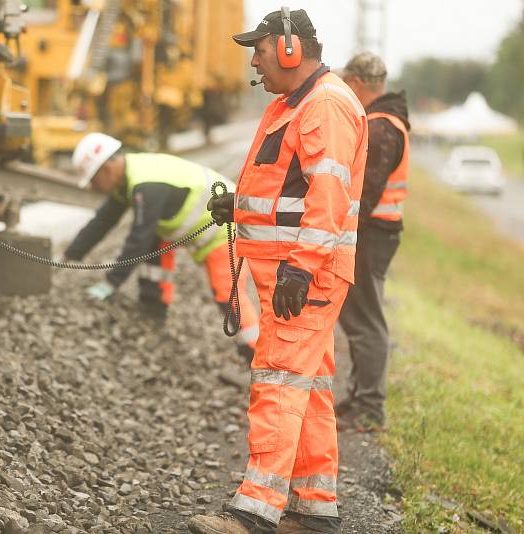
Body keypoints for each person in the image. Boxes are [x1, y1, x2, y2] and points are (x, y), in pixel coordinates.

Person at [190, 7, 368, 534]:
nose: (254, 62)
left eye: (261, 50)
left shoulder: (325, 106)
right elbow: (285, 186)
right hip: (289, 272)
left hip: (304, 275)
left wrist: (302, 268)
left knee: (278, 381)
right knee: (306, 387)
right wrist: (239, 207)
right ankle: (315, 510)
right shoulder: (294, 104)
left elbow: (328, 193)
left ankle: (254, 511)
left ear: (290, 49)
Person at [63, 132, 260, 363]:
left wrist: (111, 282)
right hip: (214, 229)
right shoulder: (131, 176)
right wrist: (72, 254)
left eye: (94, 181)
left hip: (228, 228)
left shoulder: (147, 184)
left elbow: (138, 238)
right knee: (155, 240)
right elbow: (103, 221)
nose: (96, 187)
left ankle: (256, 359)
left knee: (228, 295)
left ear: (106, 169)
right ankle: (153, 307)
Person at [336, 52, 409, 432]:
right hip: (377, 231)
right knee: (361, 315)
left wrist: (342, 233)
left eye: (346, 81)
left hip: (372, 233)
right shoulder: (385, 121)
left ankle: (369, 409)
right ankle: (359, 398)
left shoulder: (381, 128)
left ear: (358, 83)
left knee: (365, 319)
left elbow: (366, 193)